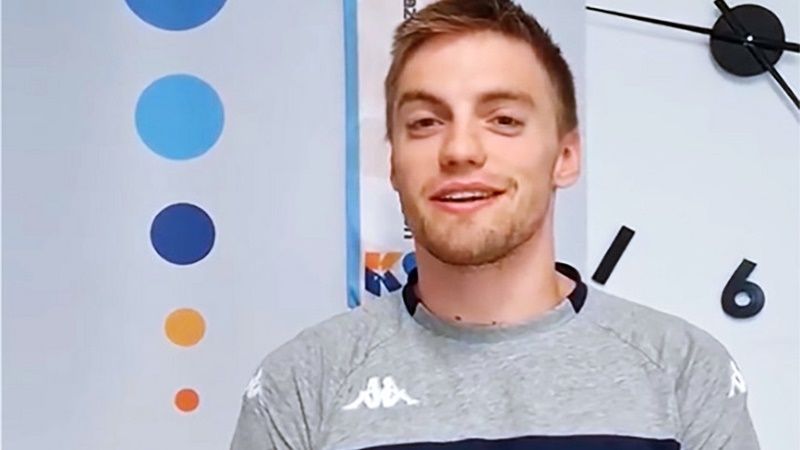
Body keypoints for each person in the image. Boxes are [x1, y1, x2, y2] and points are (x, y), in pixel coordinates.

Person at [230, 0, 760, 448]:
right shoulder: (302, 384)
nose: (460, 149)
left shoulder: (683, 372)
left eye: (503, 120)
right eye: (425, 122)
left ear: (565, 157)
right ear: (393, 163)